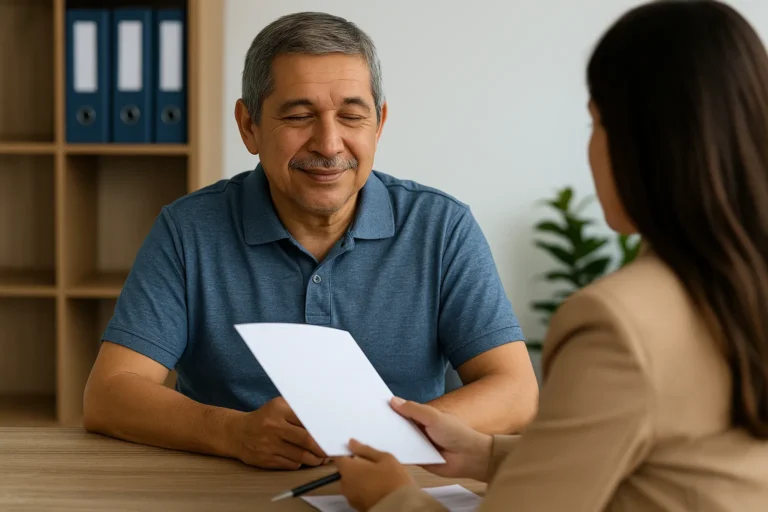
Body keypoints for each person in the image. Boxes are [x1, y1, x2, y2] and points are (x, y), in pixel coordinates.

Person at [333, 1, 768, 510]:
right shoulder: (741, 285)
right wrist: (484, 454)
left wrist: (390, 498)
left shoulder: (618, 323)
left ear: (642, 143)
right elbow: (670, 462)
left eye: (595, 124)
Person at [81, 12, 538, 471]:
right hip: (224, 485)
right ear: (249, 126)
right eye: (299, 116)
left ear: (378, 124)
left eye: (352, 116)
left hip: (398, 488)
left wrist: (379, 440)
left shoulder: (442, 227)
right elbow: (110, 393)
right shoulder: (188, 229)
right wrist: (232, 432)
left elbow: (517, 393)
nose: (329, 144)